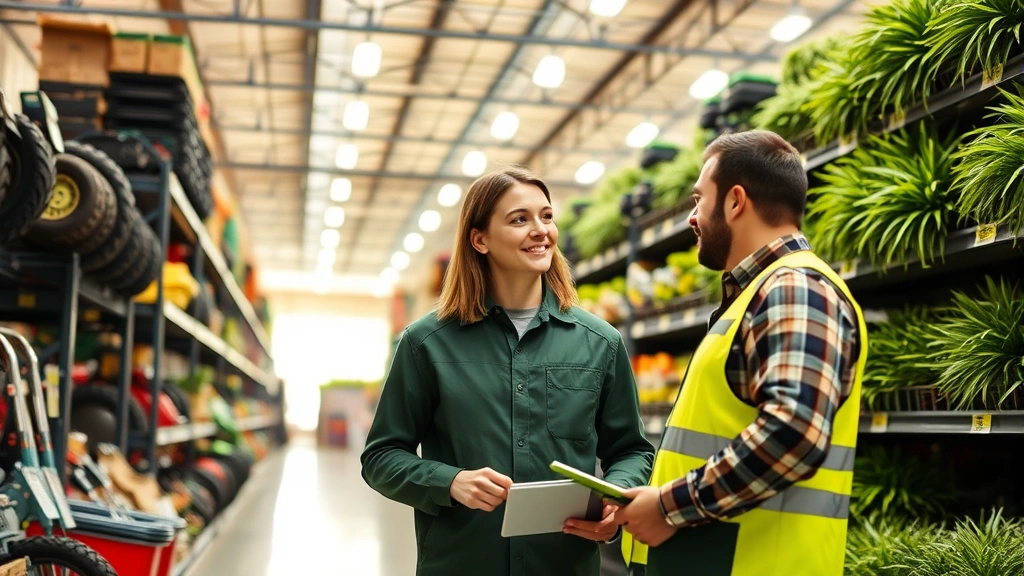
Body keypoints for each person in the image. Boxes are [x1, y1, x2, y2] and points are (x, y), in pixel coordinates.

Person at [360, 166, 655, 576]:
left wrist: (615, 498)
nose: (541, 230)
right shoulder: (426, 343)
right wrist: (449, 481)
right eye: (520, 219)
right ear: (480, 239)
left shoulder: (600, 343)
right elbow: (381, 456)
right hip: (461, 565)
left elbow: (631, 450)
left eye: (547, 216)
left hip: (563, 566)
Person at [610, 131, 867, 576]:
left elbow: (795, 432)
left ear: (734, 201)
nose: (692, 217)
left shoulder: (795, 289)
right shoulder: (759, 293)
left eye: (697, 200)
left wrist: (671, 506)